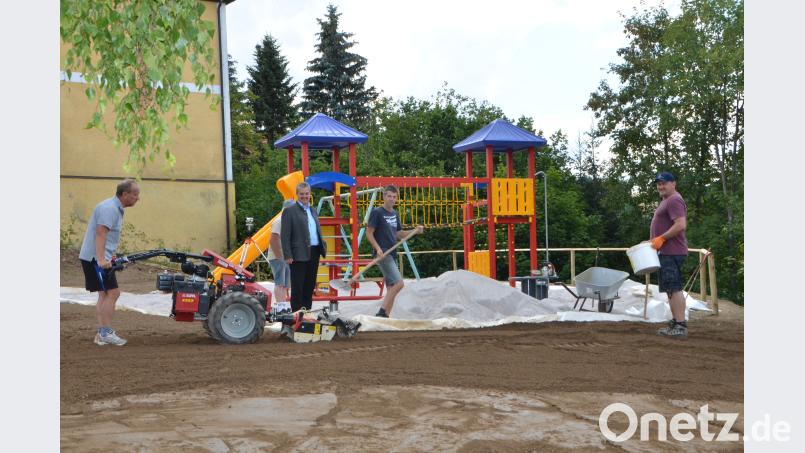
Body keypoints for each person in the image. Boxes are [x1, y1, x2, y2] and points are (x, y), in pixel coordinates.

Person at [78, 179, 141, 346]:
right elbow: (100, 233)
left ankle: (101, 334)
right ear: (125, 194)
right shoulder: (110, 208)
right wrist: (101, 259)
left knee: (105, 294)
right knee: (113, 293)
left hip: (95, 257)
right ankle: (105, 333)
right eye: (135, 194)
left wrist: (111, 255)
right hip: (95, 259)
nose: (137, 198)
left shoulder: (114, 208)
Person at [366, 185, 424, 318]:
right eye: (389, 196)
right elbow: (369, 233)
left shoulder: (395, 214)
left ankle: (386, 316)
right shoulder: (377, 212)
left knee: (392, 287)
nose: (392, 199)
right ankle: (381, 312)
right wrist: (378, 248)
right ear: (384, 197)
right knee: (399, 283)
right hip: (383, 254)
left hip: (392, 253)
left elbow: (399, 234)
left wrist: (414, 231)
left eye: (394, 197)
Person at [649, 172, 689, 340]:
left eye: (664, 183)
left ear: (674, 183)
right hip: (666, 251)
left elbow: (681, 225)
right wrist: (652, 240)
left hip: (672, 251)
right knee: (671, 289)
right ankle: (676, 322)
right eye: (658, 183)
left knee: (674, 288)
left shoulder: (674, 200)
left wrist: (662, 238)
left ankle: (680, 326)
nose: (660, 186)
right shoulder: (667, 200)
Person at [281, 182, 327, 312]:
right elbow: (285, 235)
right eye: (302, 194)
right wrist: (288, 254)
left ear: (310, 194)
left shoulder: (312, 210)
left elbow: (316, 229)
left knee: (310, 285)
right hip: (298, 253)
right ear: (297, 195)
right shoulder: (290, 211)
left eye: (307, 194)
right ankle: (297, 314)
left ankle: (307, 312)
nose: (305, 196)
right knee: (298, 286)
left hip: (314, 251)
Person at [266, 199, 296, 315]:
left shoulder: (286, 221)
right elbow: (273, 240)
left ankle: (282, 305)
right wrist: (280, 257)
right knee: (280, 283)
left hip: (284, 257)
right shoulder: (280, 221)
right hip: (278, 257)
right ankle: (280, 307)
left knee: (285, 284)